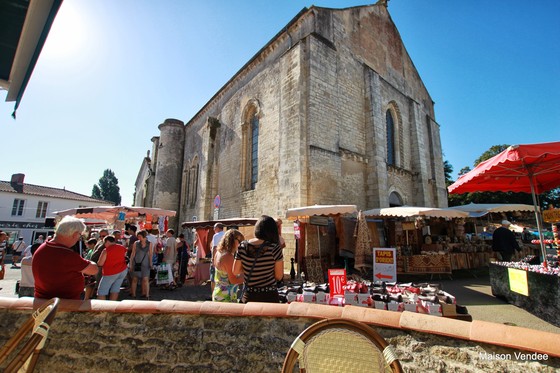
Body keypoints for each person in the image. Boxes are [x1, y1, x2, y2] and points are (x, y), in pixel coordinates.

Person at [32, 216, 99, 300]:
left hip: (43, 299)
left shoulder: (44, 247)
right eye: (80, 235)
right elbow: (93, 269)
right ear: (75, 234)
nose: (79, 238)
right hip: (63, 303)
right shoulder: (65, 254)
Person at [233, 215, 284, 303]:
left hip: (249, 295)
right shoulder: (274, 248)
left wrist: (248, 268)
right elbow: (279, 276)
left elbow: (235, 271)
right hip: (269, 295)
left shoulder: (242, 246)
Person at [213, 229, 245, 302]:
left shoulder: (219, 252)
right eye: (240, 241)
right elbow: (233, 280)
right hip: (226, 296)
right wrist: (247, 278)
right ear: (232, 240)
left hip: (219, 293)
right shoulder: (228, 257)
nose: (241, 244)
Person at [96, 235, 128, 300]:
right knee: (115, 289)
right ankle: (112, 307)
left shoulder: (106, 250)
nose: (104, 245)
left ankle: (101, 308)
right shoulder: (122, 247)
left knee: (101, 292)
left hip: (110, 272)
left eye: (104, 243)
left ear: (107, 241)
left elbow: (100, 263)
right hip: (122, 270)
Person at [129, 230, 153, 299]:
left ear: (144, 236)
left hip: (145, 263)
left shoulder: (149, 244)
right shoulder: (136, 243)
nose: (138, 238)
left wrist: (151, 263)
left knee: (145, 279)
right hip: (136, 262)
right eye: (138, 236)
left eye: (140, 236)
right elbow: (133, 254)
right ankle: (133, 294)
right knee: (135, 279)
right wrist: (131, 264)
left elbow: (150, 254)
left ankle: (147, 294)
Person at [210, 223, 225, 292]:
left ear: (218, 228)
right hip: (225, 258)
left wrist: (213, 259)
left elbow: (215, 247)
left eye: (214, 228)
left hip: (217, 258)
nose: (213, 229)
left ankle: (213, 293)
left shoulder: (216, 235)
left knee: (213, 277)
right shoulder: (226, 234)